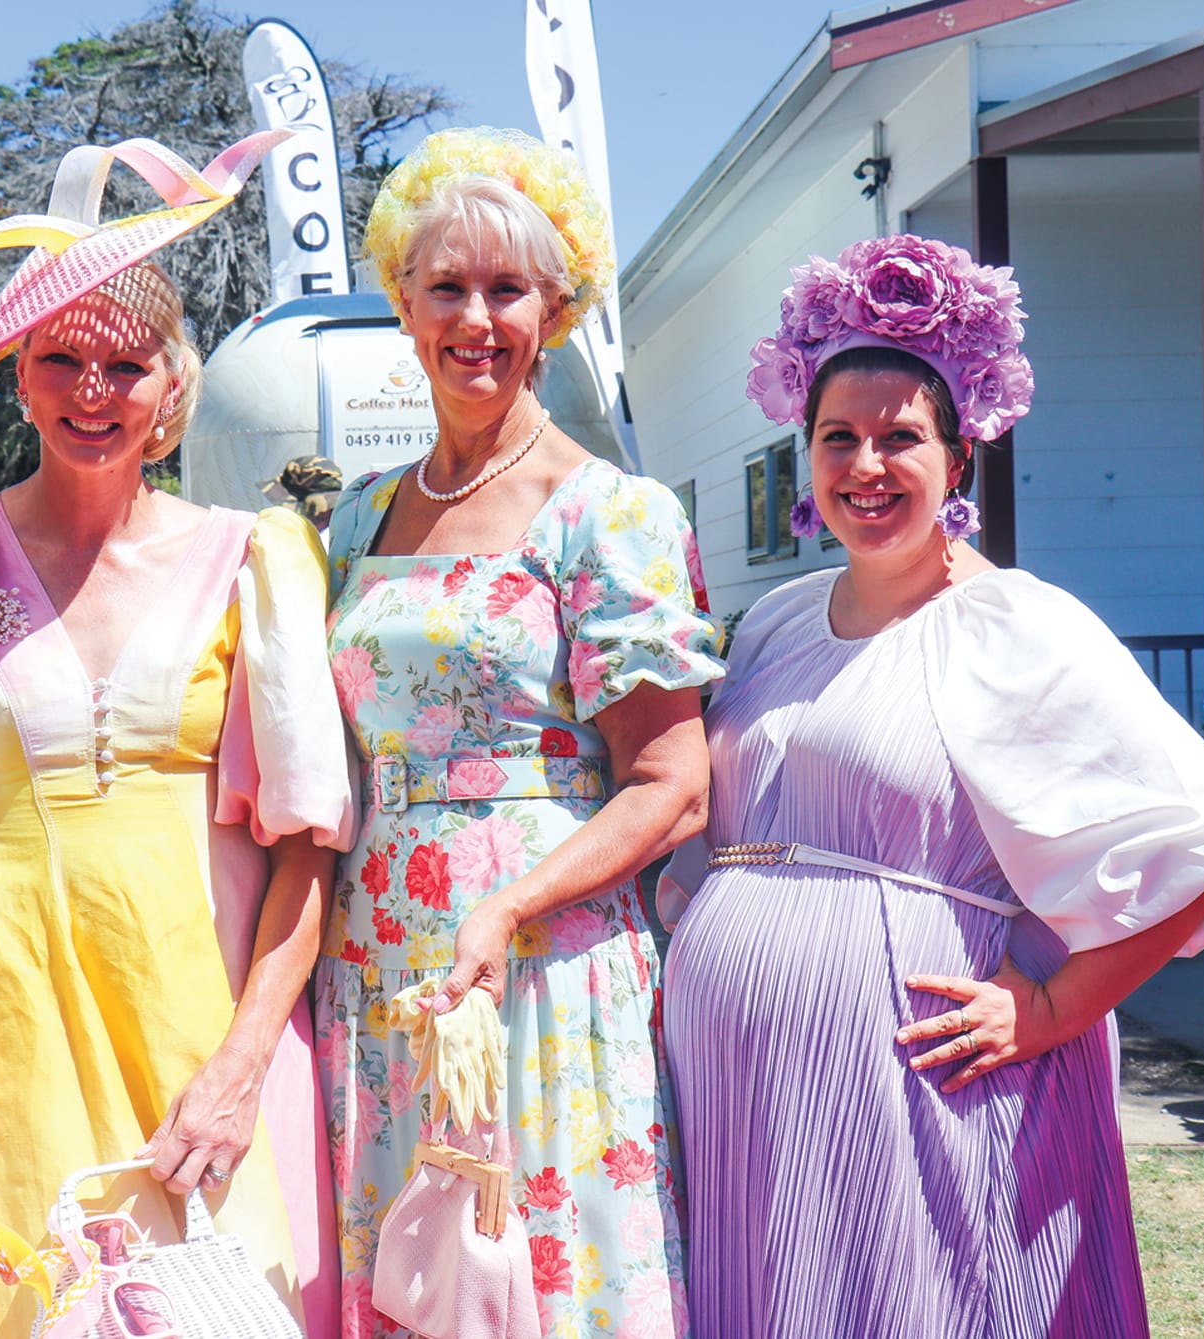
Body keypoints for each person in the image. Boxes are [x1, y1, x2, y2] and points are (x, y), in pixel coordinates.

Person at [660, 234, 1204, 1336]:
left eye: (898, 438)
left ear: (957, 456)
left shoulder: (1009, 625)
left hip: (908, 1091)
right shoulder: (773, 621)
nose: (864, 465)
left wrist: (1053, 1005)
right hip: (741, 1101)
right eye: (835, 438)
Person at [0, 131, 354, 1339]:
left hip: (193, 1001)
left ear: (172, 384)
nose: (94, 391)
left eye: (126, 365)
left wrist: (242, 1065)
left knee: (221, 1299)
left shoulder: (252, 559)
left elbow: (309, 845)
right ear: (17, 375)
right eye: (61, 359)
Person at [318, 127, 725, 1338]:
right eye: (446, 286)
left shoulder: (609, 513)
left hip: (540, 971)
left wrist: (501, 909)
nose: (475, 319)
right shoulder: (352, 519)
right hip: (382, 966)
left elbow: (670, 783)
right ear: (401, 301)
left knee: (537, 1281)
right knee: (407, 1275)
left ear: (555, 308)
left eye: (508, 290)